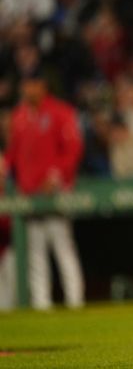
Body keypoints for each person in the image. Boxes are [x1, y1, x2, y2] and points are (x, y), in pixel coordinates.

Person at [0, 66, 84, 310]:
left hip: (54, 194)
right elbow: (14, 153)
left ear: (42, 85)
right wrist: (4, 168)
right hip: (29, 196)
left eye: (31, 84)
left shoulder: (60, 112)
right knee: (35, 253)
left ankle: (75, 303)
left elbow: (73, 150)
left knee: (62, 248)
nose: (27, 89)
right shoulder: (20, 116)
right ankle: (42, 306)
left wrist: (57, 176)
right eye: (25, 84)